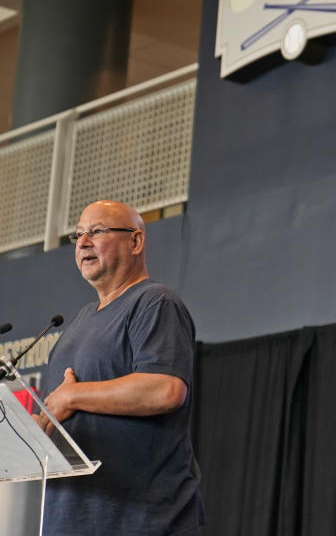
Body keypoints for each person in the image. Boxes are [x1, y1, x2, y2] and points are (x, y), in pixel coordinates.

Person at [36, 200, 204, 535]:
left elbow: (165, 389)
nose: (83, 242)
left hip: (138, 520)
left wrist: (72, 397)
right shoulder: (80, 320)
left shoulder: (154, 303)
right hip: (68, 519)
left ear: (136, 241)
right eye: (78, 234)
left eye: (96, 232)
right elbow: (57, 413)